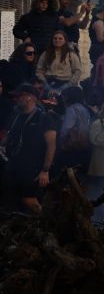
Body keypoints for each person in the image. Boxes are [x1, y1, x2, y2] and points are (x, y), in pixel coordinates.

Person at [4, 83, 59, 215]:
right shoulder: (16, 116)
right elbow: (9, 136)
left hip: (33, 169)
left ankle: (46, 225)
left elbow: (51, 145)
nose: (15, 99)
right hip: (14, 167)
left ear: (29, 97)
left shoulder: (44, 118)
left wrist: (45, 170)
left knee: (29, 200)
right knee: (12, 200)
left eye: (18, 96)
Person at [56, 86, 93, 174]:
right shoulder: (85, 108)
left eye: (64, 96)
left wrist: (60, 142)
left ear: (69, 97)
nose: (63, 99)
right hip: (85, 147)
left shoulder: (72, 109)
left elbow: (66, 130)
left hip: (72, 149)